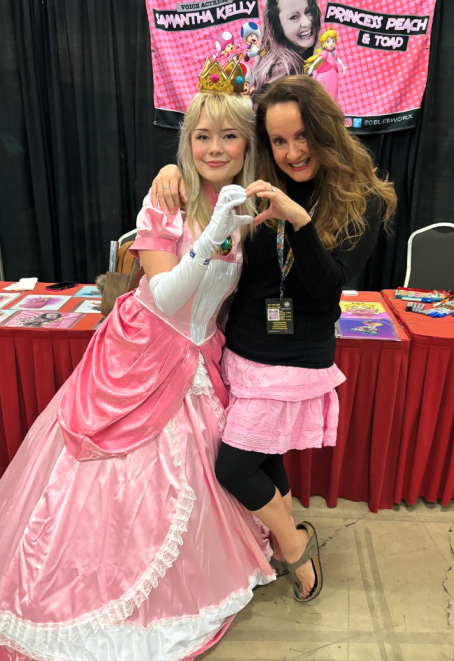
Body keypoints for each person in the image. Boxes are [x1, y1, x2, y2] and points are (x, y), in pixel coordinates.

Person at [0, 60, 280, 661]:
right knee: (106, 486)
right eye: (201, 136)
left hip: (199, 360)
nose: (214, 149)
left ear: (248, 145)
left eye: (229, 136)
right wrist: (215, 228)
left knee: (200, 479)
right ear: (187, 142)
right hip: (142, 356)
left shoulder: (250, 204)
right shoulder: (167, 200)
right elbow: (164, 295)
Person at [150, 75, 397, 602]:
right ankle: (287, 535)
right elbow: (210, 174)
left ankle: (294, 546)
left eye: (302, 136)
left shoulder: (362, 198)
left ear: (327, 129)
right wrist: (172, 170)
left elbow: (326, 286)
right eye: (279, 140)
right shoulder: (262, 179)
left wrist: (300, 221)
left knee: (234, 467)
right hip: (238, 351)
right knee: (264, 457)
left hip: (295, 358)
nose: (292, 152)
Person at [247, 0, 321, 97]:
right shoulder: (285, 69)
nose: (307, 23)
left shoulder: (300, 57)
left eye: (308, 11)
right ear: (276, 25)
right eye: (294, 17)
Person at [305, 28, 347, 102]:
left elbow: (337, 59)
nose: (331, 43)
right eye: (328, 41)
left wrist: (343, 66)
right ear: (324, 43)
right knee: (324, 85)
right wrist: (312, 66)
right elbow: (319, 59)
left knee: (333, 86)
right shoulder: (324, 53)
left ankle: (331, 99)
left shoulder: (334, 53)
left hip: (333, 71)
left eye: (333, 41)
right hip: (326, 70)